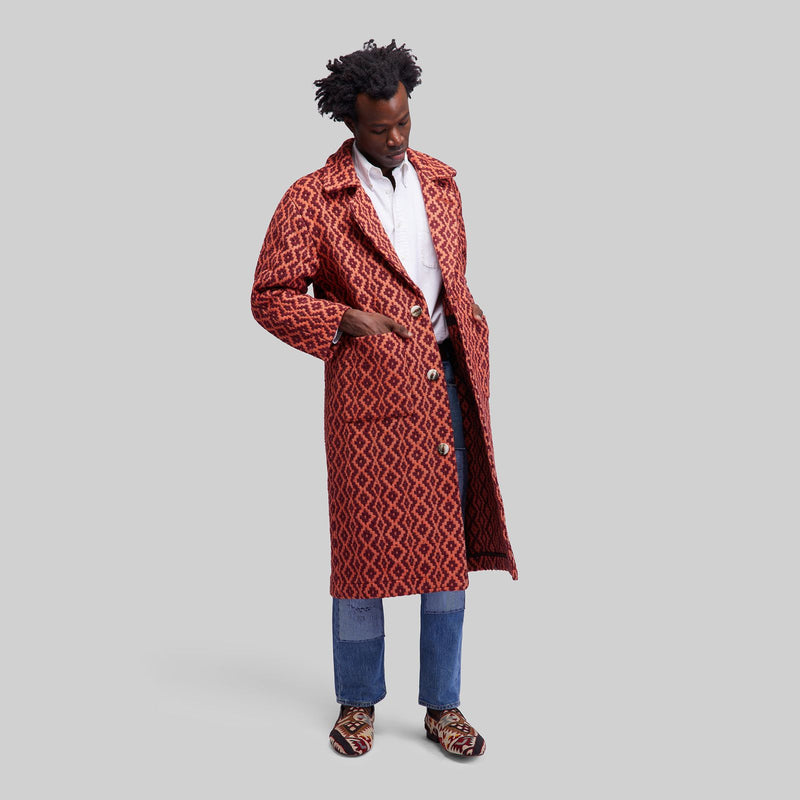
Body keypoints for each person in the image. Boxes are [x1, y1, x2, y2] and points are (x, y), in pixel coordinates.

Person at [251, 39, 517, 758]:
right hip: (367, 398)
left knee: (447, 551)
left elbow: (448, 278)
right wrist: (344, 319)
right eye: (380, 128)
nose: (396, 138)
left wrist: (469, 323)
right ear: (350, 123)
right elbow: (269, 296)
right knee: (361, 556)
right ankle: (358, 701)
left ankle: (444, 706)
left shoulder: (441, 182)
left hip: (447, 385)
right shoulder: (314, 198)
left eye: (404, 122)